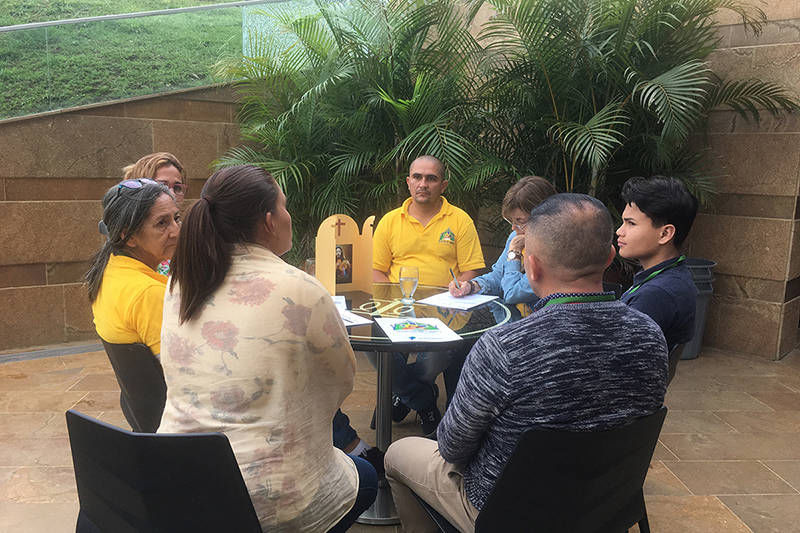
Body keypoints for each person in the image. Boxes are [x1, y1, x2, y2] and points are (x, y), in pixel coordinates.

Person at [384, 194, 668, 532]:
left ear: (531, 267)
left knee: (398, 453)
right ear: (609, 257)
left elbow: (451, 446)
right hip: (603, 503)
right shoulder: (650, 336)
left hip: (507, 513)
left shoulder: (504, 348)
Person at [158, 165, 376, 532]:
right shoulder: (300, 289)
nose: (289, 215)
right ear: (270, 221)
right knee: (366, 476)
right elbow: (340, 379)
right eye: (284, 206)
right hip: (268, 501)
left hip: (179, 481)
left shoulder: (181, 281)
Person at [371, 155, 485, 436]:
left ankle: (404, 395)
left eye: (431, 178)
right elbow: (376, 271)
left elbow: (471, 270)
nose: (423, 183)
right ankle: (423, 400)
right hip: (397, 307)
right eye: (417, 177)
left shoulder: (459, 220)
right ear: (408, 182)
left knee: (438, 355)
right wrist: (392, 305)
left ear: (443, 185)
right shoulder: (390, 221)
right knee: (375, 348)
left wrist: (459, 288)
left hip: (445, 311)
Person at [85, 178, 181, 358]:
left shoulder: (109, 268)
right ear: (128, 236)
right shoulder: (148, 293)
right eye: (162, 223)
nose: (176, 231)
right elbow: (179, 368)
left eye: (176, 219)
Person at [448, 175, 557, 316]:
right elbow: (498, 276)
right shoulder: (516, 236)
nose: (513, 228)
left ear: (543, 217)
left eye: (520, 221)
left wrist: (514, 253)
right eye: (511, 221)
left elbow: (512, 293)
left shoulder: (555, 247)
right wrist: (472, 286)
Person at [617, 176, 699, 351]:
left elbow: (621, 357)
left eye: (631, 223)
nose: (619, 231)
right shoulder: (672, 277)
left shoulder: (656, 295)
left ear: (665, 234)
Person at [123, 152, 188, 275]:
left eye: (177, 188)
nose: (171, 194)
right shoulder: (122, 258)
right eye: (161, 186)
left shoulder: (190, 238)